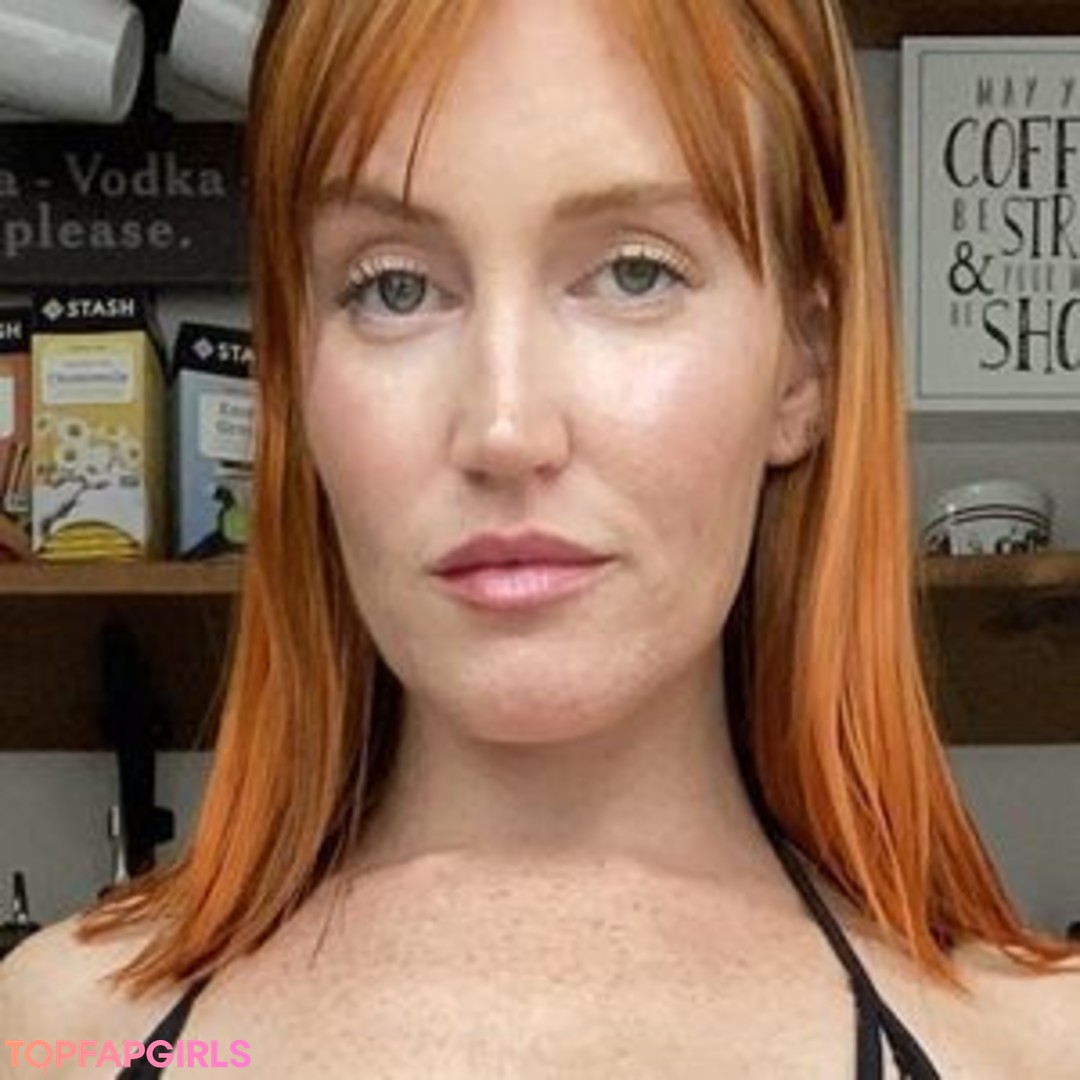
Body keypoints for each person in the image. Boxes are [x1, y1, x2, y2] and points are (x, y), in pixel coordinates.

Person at [3, 0, 1078, 1075]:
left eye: (636, 272)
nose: (506, 429)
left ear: (805, 360)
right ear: (295, 377)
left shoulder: (1038, 1049)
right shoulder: (56, 1037)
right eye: (393, 287)